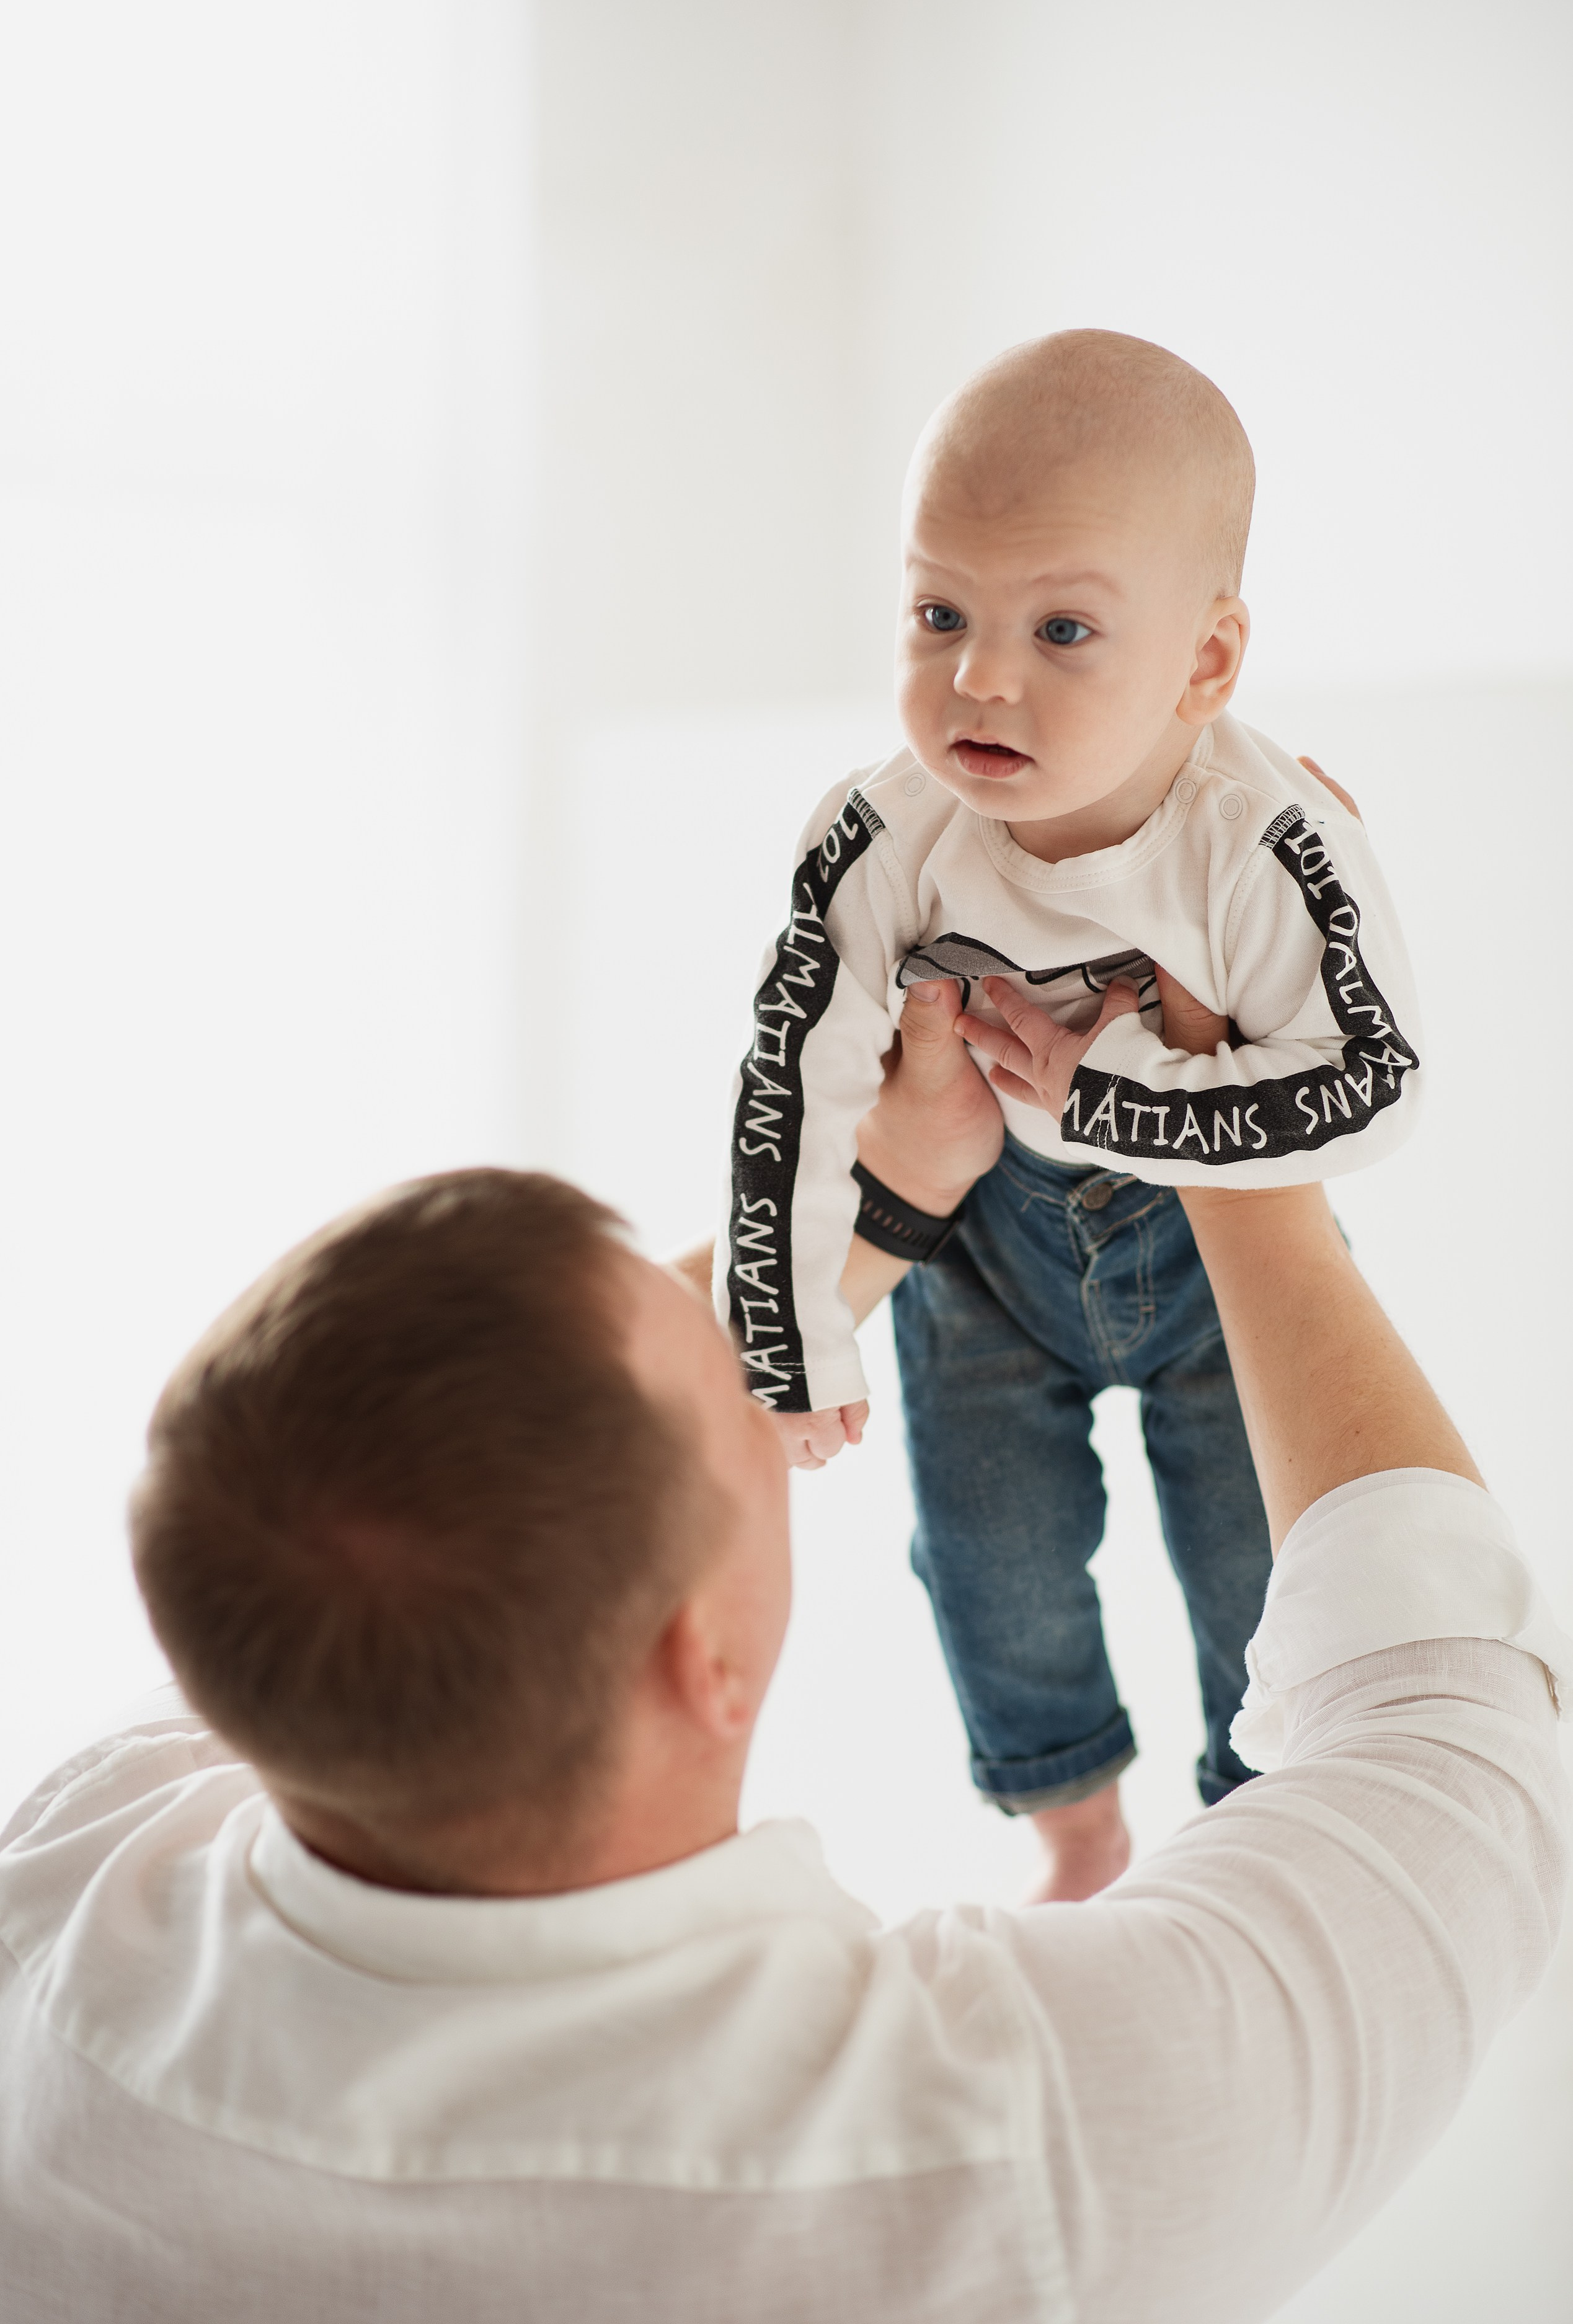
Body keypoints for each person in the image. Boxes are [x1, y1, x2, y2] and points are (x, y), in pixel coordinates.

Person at [0, 1008, 1566, 2322]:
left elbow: (424, 1483)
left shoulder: (64, 1901)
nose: (761, 1348)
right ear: (707, 1657)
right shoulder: (1016, 2154)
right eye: (727, 1367)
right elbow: (1458, 1726)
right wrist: (1234, 1139)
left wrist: (883, 1183)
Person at [714, 328, 1422, 1896]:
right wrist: (788, 1335)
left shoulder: (1263, 840)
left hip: (1208, 1269)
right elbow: (796, 1074)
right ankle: (1076, 1828)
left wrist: (1129, 1093)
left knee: (1259, 1570)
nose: (980, 675)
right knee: (989, 1567)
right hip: (982, 1259)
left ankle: (1249, 1827)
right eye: (939, 610)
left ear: (1207, 662)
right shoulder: (886, 832)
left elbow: (1373, 1082)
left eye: (1065, 628)